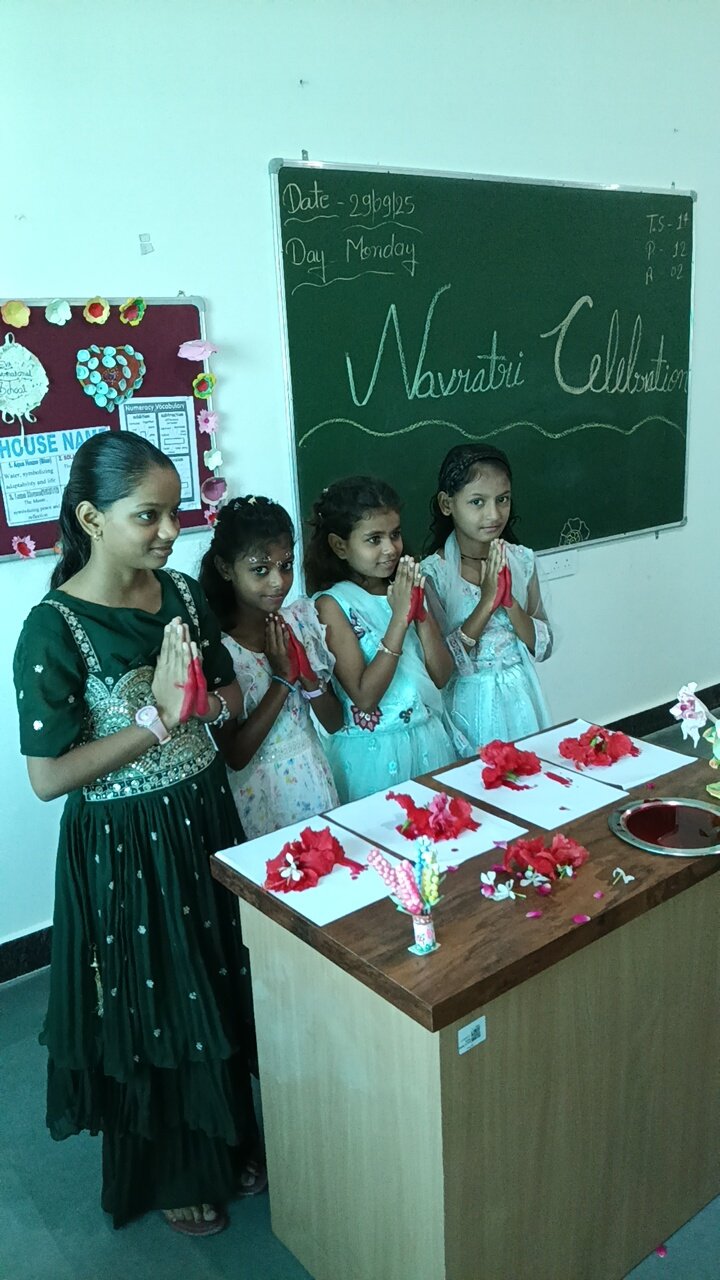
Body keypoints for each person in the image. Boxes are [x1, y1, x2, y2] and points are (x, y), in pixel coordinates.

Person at [12, 432, 262, 1236]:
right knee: (156, 994)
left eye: (174, 512)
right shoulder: (53, 628)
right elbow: (49, 778)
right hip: (126, 844)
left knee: (219, 973)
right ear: (91, 518)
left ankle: (231, 1138)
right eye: (147, 516)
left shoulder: (182, 593)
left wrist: (201, 705)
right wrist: (156, 720)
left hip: (204, 815)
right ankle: (172, 1172)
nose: (169, 532)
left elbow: (225, 698)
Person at [304, 476, 456, 802]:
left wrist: (420, 613)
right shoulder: (332, 605)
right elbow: (364, 697)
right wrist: (400, 619)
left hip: (427, 740)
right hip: (373, 755)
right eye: (374, 539)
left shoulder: (404, 587)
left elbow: (442, 676)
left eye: (395, 535)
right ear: (340, 546)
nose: (390, 549)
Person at [199, 495, 341, 838]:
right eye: (260, 570)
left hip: (312, 777)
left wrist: (306, 674)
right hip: (259, 795)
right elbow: (235, 755)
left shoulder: (300, 622)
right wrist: (282, 680)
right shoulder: (218, 650)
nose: (278, 582)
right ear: (226, 568)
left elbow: (334, 722)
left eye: (286, 565)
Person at [422, 443, 552, 751]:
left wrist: (510, 603)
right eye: (477, 502)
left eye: (502, 499)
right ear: (447, 504)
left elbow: (543, 647)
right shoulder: (432, 574)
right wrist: (487, 602)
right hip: (467, 705)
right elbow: (442, 667)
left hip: (520, 698)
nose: (494, 514)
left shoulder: (522, 560)